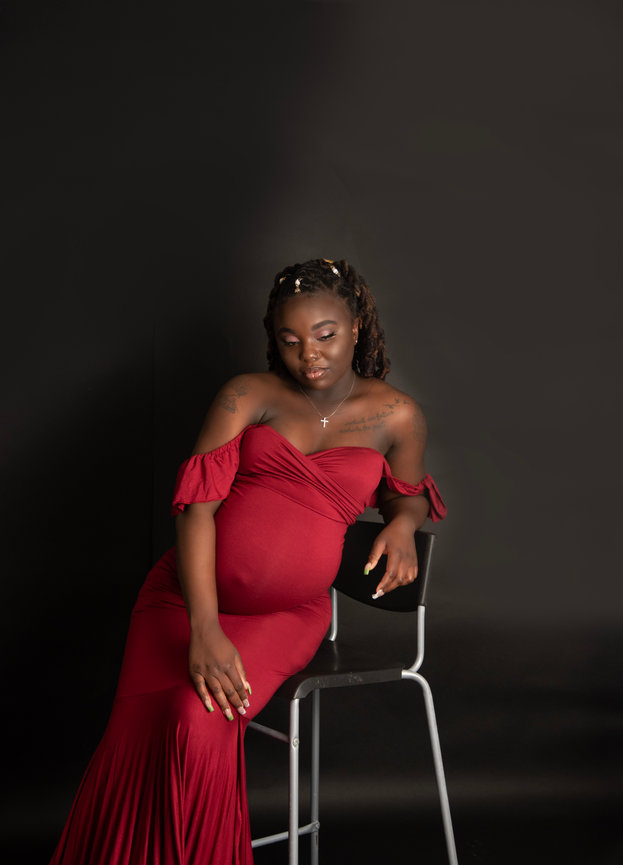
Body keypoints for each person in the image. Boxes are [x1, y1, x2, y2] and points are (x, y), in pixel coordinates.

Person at [50, 258, 446, 864]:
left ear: (358, 326)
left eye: (325, 336)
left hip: (285, 616)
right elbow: (195, 510)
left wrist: (402, 522)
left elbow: (407, 493)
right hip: (185, 600)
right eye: (290, 341)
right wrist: (205, 629)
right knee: (145, 729)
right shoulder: (246, 394)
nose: (308, 356)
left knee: (195, 717)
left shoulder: (397, 416)